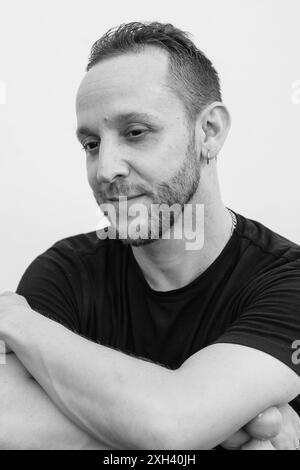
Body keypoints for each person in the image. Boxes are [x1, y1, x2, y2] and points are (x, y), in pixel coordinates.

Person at [0, 21, 300, 450]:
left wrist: (18, 321)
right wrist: (212, 437)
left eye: (136, 132)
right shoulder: (65, 271)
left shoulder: (287, 282)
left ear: (209, 132)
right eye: (91, 144)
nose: (106, 170)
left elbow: (174, 423)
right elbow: (7, 418)